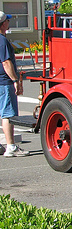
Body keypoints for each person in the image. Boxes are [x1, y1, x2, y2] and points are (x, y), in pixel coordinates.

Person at [0, 11, 30, 157]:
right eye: (7, 21)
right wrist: (14, 80)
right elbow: (6, 63)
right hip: (3, 82)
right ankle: (11, 146)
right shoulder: (2, 40)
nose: (8, 23)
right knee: (8, 114)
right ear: (3, 24)